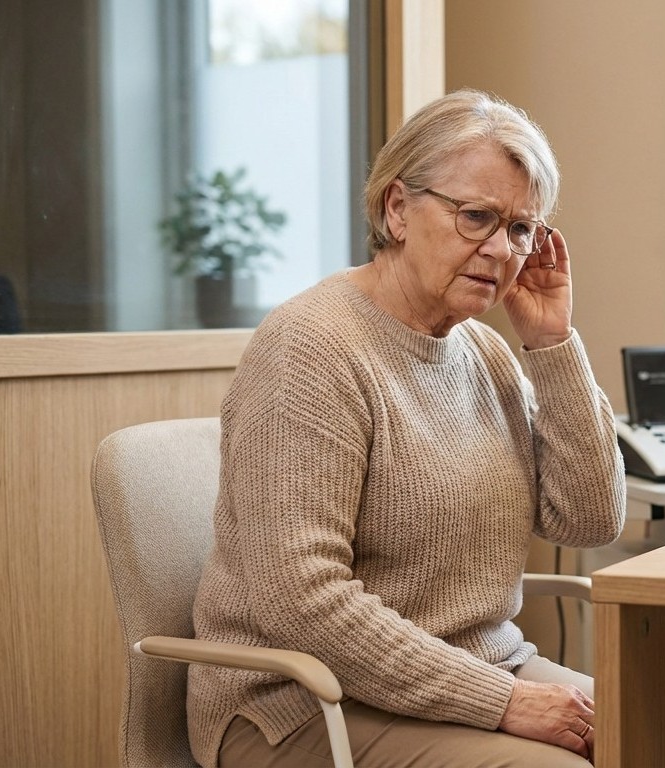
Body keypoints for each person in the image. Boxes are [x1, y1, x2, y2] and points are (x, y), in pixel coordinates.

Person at [187, 89, 627, 768]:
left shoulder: (483, 351)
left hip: (475, 676)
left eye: (519, 229)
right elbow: (302, 601)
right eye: (476, 216)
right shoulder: (311, 347)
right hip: (304, 703)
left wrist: (552, 344)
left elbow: (588, 521)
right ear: (397, 209)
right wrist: (503, 703)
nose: (499, 249)